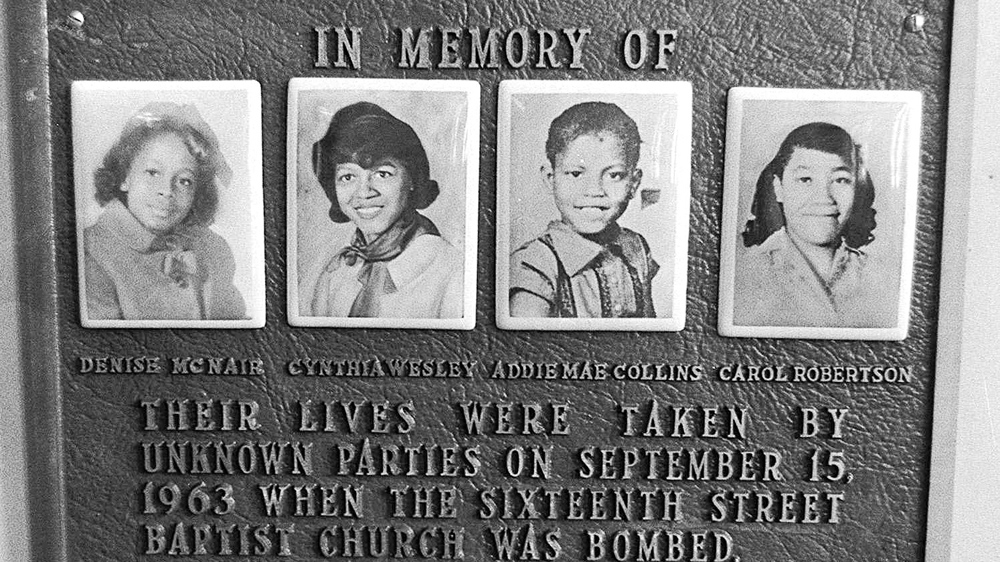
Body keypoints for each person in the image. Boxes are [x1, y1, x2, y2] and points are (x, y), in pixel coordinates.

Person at [84, 102, 246, 321]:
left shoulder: (214, 249)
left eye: (184, 180)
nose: (167, 191)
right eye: (153, 172)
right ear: (124, 176)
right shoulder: (91, 252)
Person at [305, 102, 463, 319]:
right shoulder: (336, 271)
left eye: (382, 174)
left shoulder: (453, 270)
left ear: (412, 178)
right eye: (348, 177)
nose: (364, 192)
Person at [734, 121, 896, 328]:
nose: (824, 198)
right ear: (779, 188)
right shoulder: (745, 275)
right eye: (805, 179)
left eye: (840, 180)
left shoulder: (881, 277)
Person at [509, 101, 657, 318]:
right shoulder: (534, 263)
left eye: (614, 175)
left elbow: (649, 330)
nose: (594, 191)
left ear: (634, 184)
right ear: (550, 178)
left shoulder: (636, 247)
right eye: (576, 174)